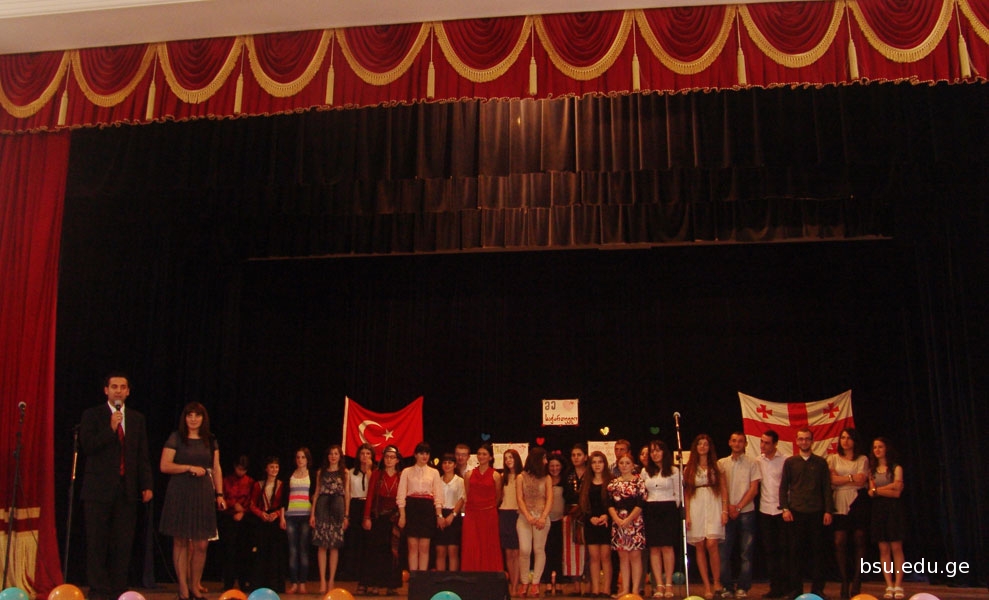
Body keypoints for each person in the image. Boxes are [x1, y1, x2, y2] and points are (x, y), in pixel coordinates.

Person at [79, 372, 154, 600]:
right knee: (97, 542)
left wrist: (147, 484)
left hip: (127, 490)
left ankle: (118, 589)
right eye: (114, 387)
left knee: (122, 543)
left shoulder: (137, 419)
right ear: (106, 390)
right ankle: (99, 590)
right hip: (98, 491)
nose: (118, 390)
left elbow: (142, 455)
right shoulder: (92, 415)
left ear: (128, 391)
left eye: (122, 387)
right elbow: (87, 446)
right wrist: (110, 428)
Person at [159, 402, 225, 600]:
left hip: (203, 493)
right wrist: (188, 467)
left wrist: (220, 494)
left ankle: (195, 585)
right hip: (180, 492)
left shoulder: (210, 440)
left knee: (201, 544)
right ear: (185, 418)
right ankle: (183, 589)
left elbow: (216, 468)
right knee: (181, 541)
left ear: (203, 418)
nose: (193, 419)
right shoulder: (176, 437)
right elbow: (164, 465)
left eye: (197, 415)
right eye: (190, 415)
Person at [779, 427, 833, 600]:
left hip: (817, 513)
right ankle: (796, 589)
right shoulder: (790, 462)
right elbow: (783, 487)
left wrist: (828, 510)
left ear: (812, 441)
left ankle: (818, 589)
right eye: (801, 439)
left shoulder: (821, 463)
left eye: (807, 439)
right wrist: (785, 508)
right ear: (797, 441)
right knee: (795, 553)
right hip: (796, 513)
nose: (804, 442)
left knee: (818, 553)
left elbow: (826, 488)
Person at [717, 432, 761, 599]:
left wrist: (739, 507)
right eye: (734, 441)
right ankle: (727, 587)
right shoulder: (721, 463)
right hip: (726, 512)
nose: (737, 444)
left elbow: (754, 489)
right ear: (729, 442)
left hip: (746, 512)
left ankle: (743, 587)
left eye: (740, 441)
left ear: (745, 444)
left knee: (746, 553)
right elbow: (719, 488)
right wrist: (728, 507)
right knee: (723, 553)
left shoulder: (753, 463)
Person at [684, 434, 727, 600]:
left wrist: (724, 511)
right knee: (700, 544)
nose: (702, 446)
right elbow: (687, 494)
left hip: (714, 505)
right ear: (695, 447)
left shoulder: (717, 466)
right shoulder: (689, 468)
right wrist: (688, 514)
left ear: (710, 447)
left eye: (705, 444)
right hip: (696, 506)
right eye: (699, 444)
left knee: (712, 543)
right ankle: (706, 585)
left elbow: (724, 489)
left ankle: (717, 581)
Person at [827, 428, 869, 599]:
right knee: (839, 541)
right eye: (843, 438)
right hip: (839, 501)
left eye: (849, 438)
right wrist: (851, 478)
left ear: (855, 441)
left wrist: (842, 479)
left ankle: (857, 580)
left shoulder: (862, 459)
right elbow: (831, 480)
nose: (845, 441)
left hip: (857, 500)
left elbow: (861, 480)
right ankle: (844, 580)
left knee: (859, 539)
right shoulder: (832, 458)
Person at [360, 445, 404, 595]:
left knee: (393, 552)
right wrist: (367, 517)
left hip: (394, 519)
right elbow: (370, 497)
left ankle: (392, 585)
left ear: (397, 460)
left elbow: (403, 499)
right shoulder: (377, 474)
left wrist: (402, 516)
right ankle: (375, 585)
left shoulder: (401, 476)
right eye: (386, 457)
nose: (389, 460)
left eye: (392, 457)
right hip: (378, 518)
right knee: (376, 552)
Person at [867, 438, 905, 600]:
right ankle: (889, 584)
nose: (877, 450)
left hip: (894, 510)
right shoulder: (871, 470)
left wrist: (878, 490)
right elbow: (871, 492)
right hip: (878, 511)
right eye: (875, 447)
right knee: (883, 549)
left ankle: (898, 584)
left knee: (896, 547)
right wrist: (887, 488)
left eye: (880, 447)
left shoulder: (896, 468)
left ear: (886, 448)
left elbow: (897, 492)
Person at [397, 441, 445, 572]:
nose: (425, 456)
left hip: (427, 509)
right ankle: (413, 578)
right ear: (415, 455)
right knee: (412, 546)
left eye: (427, 453)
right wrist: (402, 515)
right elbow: (401, 495)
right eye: (421, 453)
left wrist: (439, 515)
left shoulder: (434, 472)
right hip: (411, 508)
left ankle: (422, 578)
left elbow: (438, 496)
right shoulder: (406, 471)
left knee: (424, 547)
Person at [641, 440, 679, 599]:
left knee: (667, 547)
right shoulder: (645, 471)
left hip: (668, 508)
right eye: (652, 451)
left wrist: (673, 510)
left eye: (658, 450)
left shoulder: (674, 470)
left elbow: (679, 495)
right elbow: (643, 492)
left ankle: (668, 583)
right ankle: (659, 584)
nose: (655, 454)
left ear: (664, 452)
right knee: (654, 548)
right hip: (651, 509)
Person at [311, 444, 349, 593]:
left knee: (334, 546)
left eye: (336, 454)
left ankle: (331, 580)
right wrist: (312, 514)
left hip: (338, 508)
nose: (333, 456)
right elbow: (316, 493)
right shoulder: (321, 472)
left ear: (340, 456)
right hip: (322, 507)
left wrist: (346, 515)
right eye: (331, 454)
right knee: (322, 545)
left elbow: (347, 495)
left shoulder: (345, 473)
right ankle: (322, 581)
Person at [516, 447, 553, 597]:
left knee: (539, 549)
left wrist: (543, 517)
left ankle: (536, 583)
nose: (546, 461)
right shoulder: (521, 477)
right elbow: (520, 498)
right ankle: (524, 581)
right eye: (544, 458)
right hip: (524, 517)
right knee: (524, 549)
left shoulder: (547, 478)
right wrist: (528, 516)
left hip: (541, 517)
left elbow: (549, 499)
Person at [461, 442, 504, 571]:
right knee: (471, 544)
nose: (481, 456)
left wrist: (488, 507)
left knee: (489, 544)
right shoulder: (469, 474)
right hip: (472, 514)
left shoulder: (496, 475)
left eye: (484, 454)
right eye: (479, 454)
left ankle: (490, 574)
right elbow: (467, 493)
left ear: (490, 457)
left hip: (489, 514)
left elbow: (498, 496)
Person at [246, 456, 287, 592]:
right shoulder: (258, 485)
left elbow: (285, 504)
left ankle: (275, 585)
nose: (274, 469)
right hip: (262, 522)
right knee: (261, 553)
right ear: (266, 469)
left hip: (275, 522)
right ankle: (259, 584)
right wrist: (261, 514)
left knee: (275, 553)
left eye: (276, 467)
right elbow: (252, 504)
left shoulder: (282, 485)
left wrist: (276, 514)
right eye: (271, 467)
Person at [608, 454, 646, 598]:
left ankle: (635, 589)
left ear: (633, 465)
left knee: (635, 556)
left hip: (635, 522)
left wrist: (629, 519)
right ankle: (625, 588)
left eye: (627, 463)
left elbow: (640, 503)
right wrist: (617, 519)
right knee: (622, 556)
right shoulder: (613, 484)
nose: (624, 465)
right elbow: (610, 504)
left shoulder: (639, 482)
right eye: (621, 463)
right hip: (618, 522)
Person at [756, 430, 787, 600]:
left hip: (782, 510)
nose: (763, 445)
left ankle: (787, 586)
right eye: (762, 441)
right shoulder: (757, 461)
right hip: (765, 510)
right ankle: (774, 587)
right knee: (770, 551)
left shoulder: (785, 460)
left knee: (784, 550)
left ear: (775, 444)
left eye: (767, 443)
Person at [219, 455, 254, 590]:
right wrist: (233, 505)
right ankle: (228, 583)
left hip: (245, 519)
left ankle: (244, 582)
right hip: (229, 518)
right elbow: (222, 498)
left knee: (244, 551)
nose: (241, 472)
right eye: (239, 469)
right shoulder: (226, 480)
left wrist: (243, 511)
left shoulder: (250, 481)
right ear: (235, 467)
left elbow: (252, 499)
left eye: (244, 470)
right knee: (229, 551)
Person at [580, 450, 613, 598]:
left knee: (605, 556)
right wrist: (590, 518)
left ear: (605, 464)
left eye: (600, 462)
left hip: (606, 523)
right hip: (591, 523)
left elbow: (615, 503)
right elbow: (583, 504)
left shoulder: (611, 481)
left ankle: (606, 589)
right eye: (594, 462)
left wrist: (607, 515)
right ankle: (595, 589)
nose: (597, 465)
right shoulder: (586, 482)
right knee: (593, 557)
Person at [342, 443, 374, 592]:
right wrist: (347, 515)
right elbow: (348, 494)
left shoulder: (374, 472)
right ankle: (360, 581)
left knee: (370, 545)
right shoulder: (350, 472)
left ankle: (371, 581)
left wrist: (369, 470)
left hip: (369, 507)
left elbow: (373, 489)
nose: (365, 457)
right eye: (362, 453)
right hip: (355, 506)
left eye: (368, 454)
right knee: (358, 545)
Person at [285, 447, 314, 594]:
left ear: (307, 459)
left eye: (303, 457)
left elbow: (314, 496)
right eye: (298, 457)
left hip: (305, 515)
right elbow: (284, 496)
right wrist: (283, 515)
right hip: (291, 516)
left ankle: (303, 582)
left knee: (303, 549)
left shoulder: (312, 475)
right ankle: (294, 582)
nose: (300, 460)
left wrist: (313, 515)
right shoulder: (290, 475)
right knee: (292, 550)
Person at [562, 444, 588, 595]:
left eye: (579, 455)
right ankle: (576, 585)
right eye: (573, 455)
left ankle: (589, 586)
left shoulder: (591, 473)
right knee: (572, 552)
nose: (576, 458)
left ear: (585, 457)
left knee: (589, 552)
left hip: (588, 516)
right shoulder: (567, 474)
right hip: (570, 516)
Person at [435, 453, 466, 571]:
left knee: (453, 550)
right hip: (440, 514)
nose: (447, 465)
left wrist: (453, 515)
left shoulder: (460, 481)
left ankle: (453, 578)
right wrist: (439, 516)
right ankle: (440, 579)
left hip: (454, 515)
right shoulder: (437, 480)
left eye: (450, 462)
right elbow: (435, 498)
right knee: (440, 551)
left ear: (455, 465)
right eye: (445, 462)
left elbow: (462, 498)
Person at [541, 452, 566, 595]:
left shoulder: (566, 481)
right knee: (546, 551)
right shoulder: (544, 479)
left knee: (559, 552)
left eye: (557, 465)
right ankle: (547, 582)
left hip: (561, 521)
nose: (554, 468)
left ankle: (560, 581)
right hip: (545, 521)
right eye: (552, 466)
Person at [500, 449, 524, 594]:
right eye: (506, 458)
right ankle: (512, 584)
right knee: (508, 553)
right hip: (504, 514)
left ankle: (516, 585)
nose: (508, 460)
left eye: (511, 457)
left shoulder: (523, 476)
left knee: (517, 552)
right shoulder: (502, 477)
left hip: (517, 514)